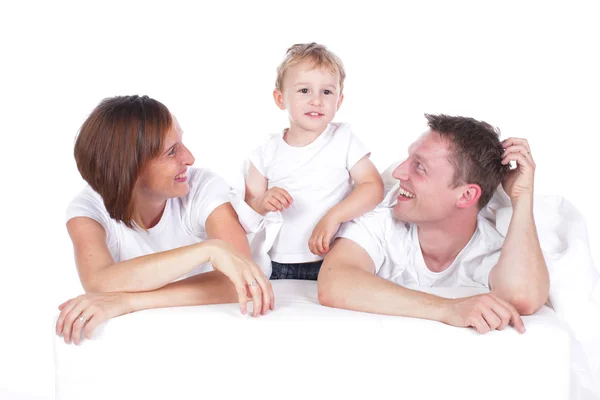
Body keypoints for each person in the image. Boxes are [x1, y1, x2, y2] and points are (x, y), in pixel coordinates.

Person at [56, 95, 274, 345]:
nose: (189, 158)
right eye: (172, 151)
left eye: (181, 143)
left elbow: (239, 281)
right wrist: (209, 250)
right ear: (131, 168)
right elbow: (98, 282)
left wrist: (130, 300)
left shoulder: (202, 186)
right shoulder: (88, 210)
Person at [318, 114, 550, 334]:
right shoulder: (381, 215)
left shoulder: (492, 247)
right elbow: (334, 282)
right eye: (409, 159)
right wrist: (447, 309)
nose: (399, 172)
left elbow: (522, 297)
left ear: (466, 196)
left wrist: (522, 197)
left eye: (419, 166)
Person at [244, 43, 384, 280]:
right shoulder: (266, 152)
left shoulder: (344, 139)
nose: (316, 100)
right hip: (279, 261)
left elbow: (373, 186)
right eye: (304, 91)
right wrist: (264, 201)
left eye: (327, 92)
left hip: (334, 256)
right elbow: (249, 204)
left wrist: (334, 217)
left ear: (338, 102)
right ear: (280, 99)